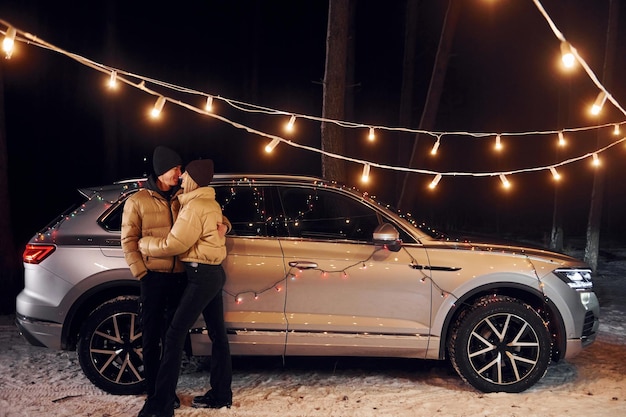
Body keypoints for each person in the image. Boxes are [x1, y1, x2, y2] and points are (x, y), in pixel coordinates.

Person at [137, 158, 233, 417]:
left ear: (194, 178)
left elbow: (173, 245)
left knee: (173, 335)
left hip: (201, 275)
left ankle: (161, 405)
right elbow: (217, 221)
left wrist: (144, 244)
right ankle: (221, 394)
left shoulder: (195, 206)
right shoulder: (207, 201)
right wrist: (227, 226)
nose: (180, 178)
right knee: (217, 335)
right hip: (213, 273)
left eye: (185, 175)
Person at [121, 145, 186, 412]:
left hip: (180, 278)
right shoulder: (138, 201)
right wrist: (142, 273)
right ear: (161, 170)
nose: (179, 175)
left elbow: (213, 215)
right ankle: (153, 394)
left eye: (180, 169)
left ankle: (167, 393)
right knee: (150, 339)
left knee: (173, 340)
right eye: (175, 169)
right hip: (153, 279)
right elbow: (128, 241)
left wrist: (224, 225)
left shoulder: (184, 198)